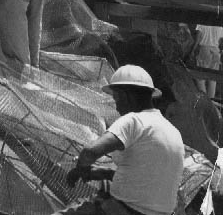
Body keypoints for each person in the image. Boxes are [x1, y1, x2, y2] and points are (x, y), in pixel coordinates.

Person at [59, 65, 184, 215]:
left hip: (124, 210)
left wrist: (81, 169)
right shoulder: (173, 132)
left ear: (126, 96)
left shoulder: (134, 120)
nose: (117, 107)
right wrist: (102, 173)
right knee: (105, 186)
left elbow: (90, 152)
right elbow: (146, 180)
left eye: (116, 99)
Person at [191, 24, 223, 99]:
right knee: (212, 78)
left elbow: (198, 36)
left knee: (200, 77)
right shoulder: (220, 24)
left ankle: (204, 100)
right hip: (216, 51)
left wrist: (192, 50)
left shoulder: (203, 22)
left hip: (204, 50)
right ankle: (211, 101)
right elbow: (221, 40)